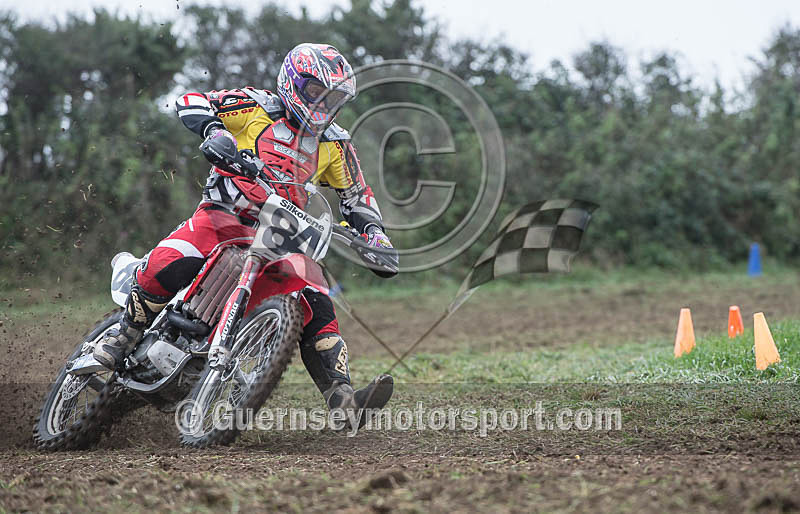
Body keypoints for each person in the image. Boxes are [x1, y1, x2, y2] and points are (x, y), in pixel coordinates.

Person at [94, 43, 396, 414]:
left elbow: (357, 196)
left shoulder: (336, 143)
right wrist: (212, 130)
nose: (323, 104)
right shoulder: (256, 105)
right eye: (316, 92)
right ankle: (125, 333)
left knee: (316, 296)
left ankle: (342, 397)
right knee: (174, 259)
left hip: (281, 237)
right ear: (293, 82)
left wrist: (375, 236)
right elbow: (192, 99)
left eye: (332, 98)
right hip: (223, 217)